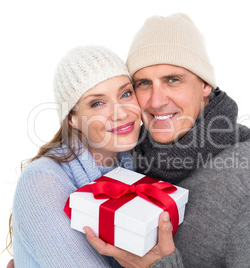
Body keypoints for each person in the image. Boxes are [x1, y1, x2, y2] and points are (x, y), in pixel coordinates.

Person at [84, 13, 250, 267]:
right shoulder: (132, 155)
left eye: (172, 80)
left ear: (205, 86)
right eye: (144, 83)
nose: (156, 101)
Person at [9, 45, 158, 267]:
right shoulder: (43, 182)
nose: (122, 113)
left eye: (125, 93)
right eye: (97, 103)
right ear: (72, 119)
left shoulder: (139, 165)